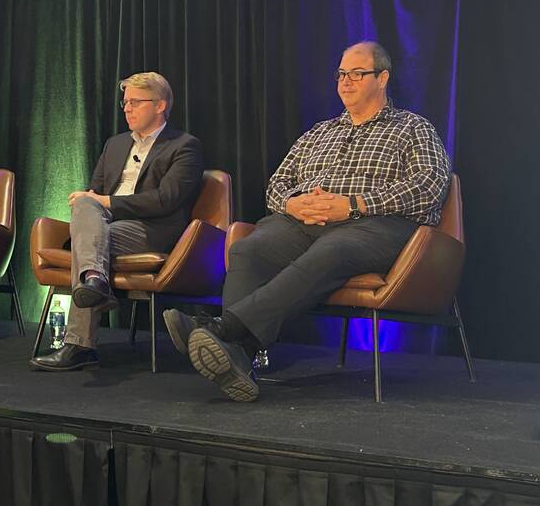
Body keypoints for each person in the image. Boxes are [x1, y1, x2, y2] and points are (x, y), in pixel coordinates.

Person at [164, 41, 451, 401]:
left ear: (382, 78)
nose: (346, 82)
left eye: (357, 74)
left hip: (375, 225)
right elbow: (277, 184)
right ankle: (239, 357)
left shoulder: (412, 128)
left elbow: (428, 186)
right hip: (304, 224)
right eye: (341, 74)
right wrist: (294, 204)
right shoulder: (318, 132)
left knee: (335, 249)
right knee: (248, 249)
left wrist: (353, 205)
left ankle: (223, 329)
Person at [30, 72, 205, 371]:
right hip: (105, 224)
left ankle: (80, 342)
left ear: (160, 105)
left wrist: (105, 202)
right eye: (125, 103)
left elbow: (166, 200)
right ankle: (95, 282)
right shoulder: (115, 144)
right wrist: (92, 200)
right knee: (86, 206)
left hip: (152, 229)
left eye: (135, 102)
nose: (127, 109)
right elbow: (94, 190)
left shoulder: (184, 146)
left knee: (88, 235)